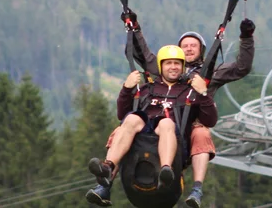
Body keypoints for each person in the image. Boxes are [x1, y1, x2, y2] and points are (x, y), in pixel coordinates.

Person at [118, 11, 256, 207]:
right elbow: (140, 53)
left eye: (194, 46)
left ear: (201, 50)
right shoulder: (167, 68)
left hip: (192, 124)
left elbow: (242, 67)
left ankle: (197, 188)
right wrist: (134, 27)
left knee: (201, 134)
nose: (189, 49)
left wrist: (246, 37)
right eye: (185, 46)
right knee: (124, 126)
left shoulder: (210, 73)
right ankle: (107, 173)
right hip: (162, 121)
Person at [86, 45, 216, 206]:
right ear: (161, 66)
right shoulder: (148, 89)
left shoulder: (190, 92)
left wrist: (204, 93)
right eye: (169, 63)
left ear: (182, 67)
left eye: (177, 63)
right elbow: (122, 114)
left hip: (173, 136)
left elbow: (210, 121)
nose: (173, 67)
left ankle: (166, 170)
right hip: (143, 135)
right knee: (131, 120)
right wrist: (127, 89)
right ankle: (107, 171)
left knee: (166, 122)